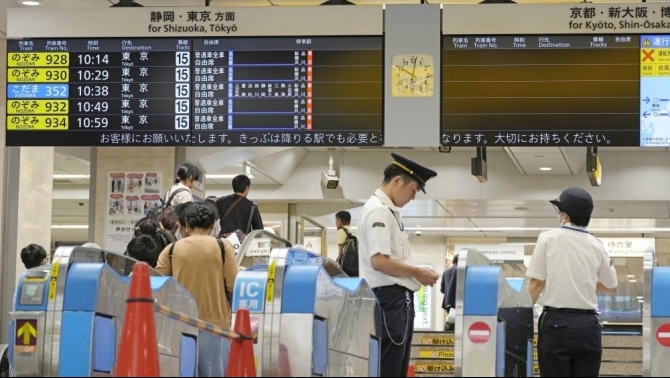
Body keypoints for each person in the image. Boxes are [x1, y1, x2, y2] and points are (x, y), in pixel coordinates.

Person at [358, 153, 440, 377]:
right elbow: (379, 261)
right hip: (390, 301)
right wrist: (417, 272)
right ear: (397, 182)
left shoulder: (389, 212)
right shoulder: (379, 211)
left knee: (397, 368)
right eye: (413, 189)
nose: (413, 197)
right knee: (389, 368)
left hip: (396, 301)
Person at [527, 187, 618, 377]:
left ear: (565, 215)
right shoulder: (596, 244)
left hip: (556, 325)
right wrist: (584, 280)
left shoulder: (548, 238)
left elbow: (536, 282)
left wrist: (520, 314)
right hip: (589, 326)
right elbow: (611, 286)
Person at [155, 201, 238, 377]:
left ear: (187, 224)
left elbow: (157, 285)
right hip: (215, 326)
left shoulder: (171, 250)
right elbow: (233, 285)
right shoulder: (223, 247)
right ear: (213, 225)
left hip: (180, 324)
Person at [440, 254, 458, 331]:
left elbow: (442, 290)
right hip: (458, 302)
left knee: (452, 322)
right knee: (459, 325)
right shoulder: (461, 270)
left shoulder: (446, 272)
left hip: (448, 303)